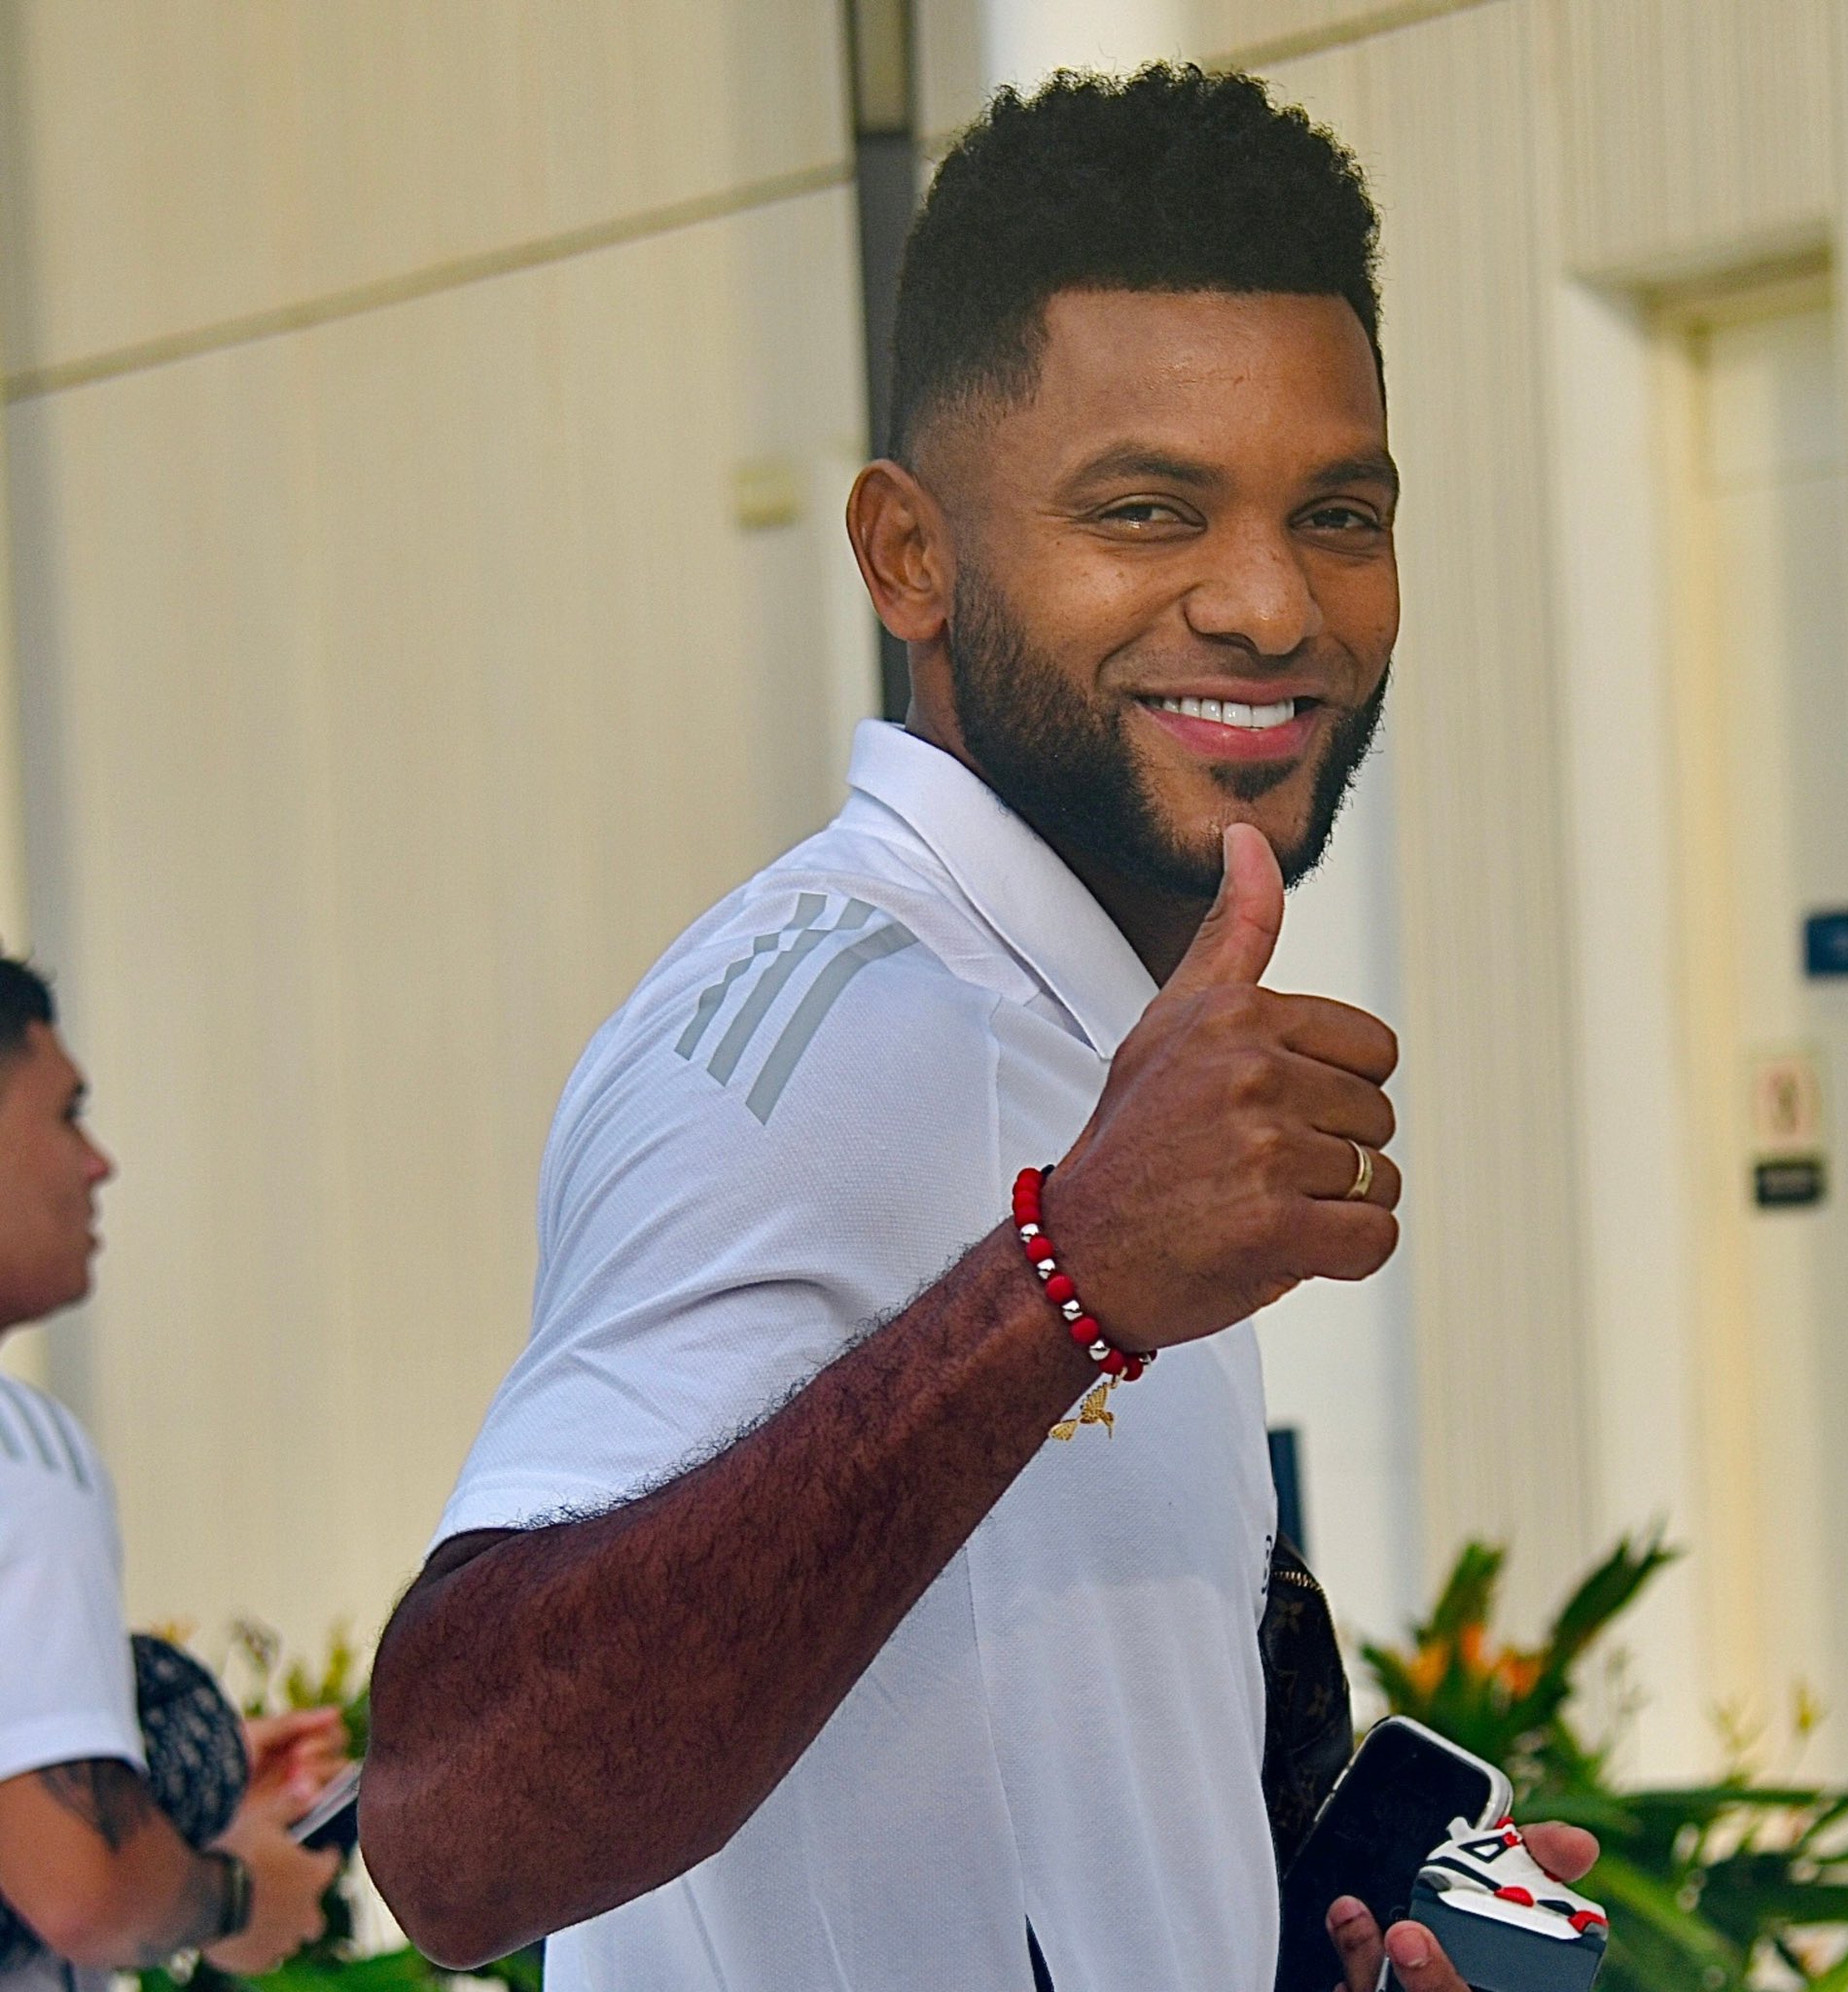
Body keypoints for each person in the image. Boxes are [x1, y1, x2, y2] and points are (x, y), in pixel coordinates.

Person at [362, 66, 1596, 1992]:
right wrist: (1066, 1275)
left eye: (1336, 510)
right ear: (905, 556)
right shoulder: (843, 1029)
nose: (1275, 604)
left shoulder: (1089, 1034)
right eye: (1146, 509)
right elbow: (453, 1833)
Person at [0, 956, 345, 1989]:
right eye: (65, 1114)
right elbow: (82, 1891)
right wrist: (241, 1895)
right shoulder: (20, 1450)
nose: (96, 1163)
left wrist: (171, 1756)